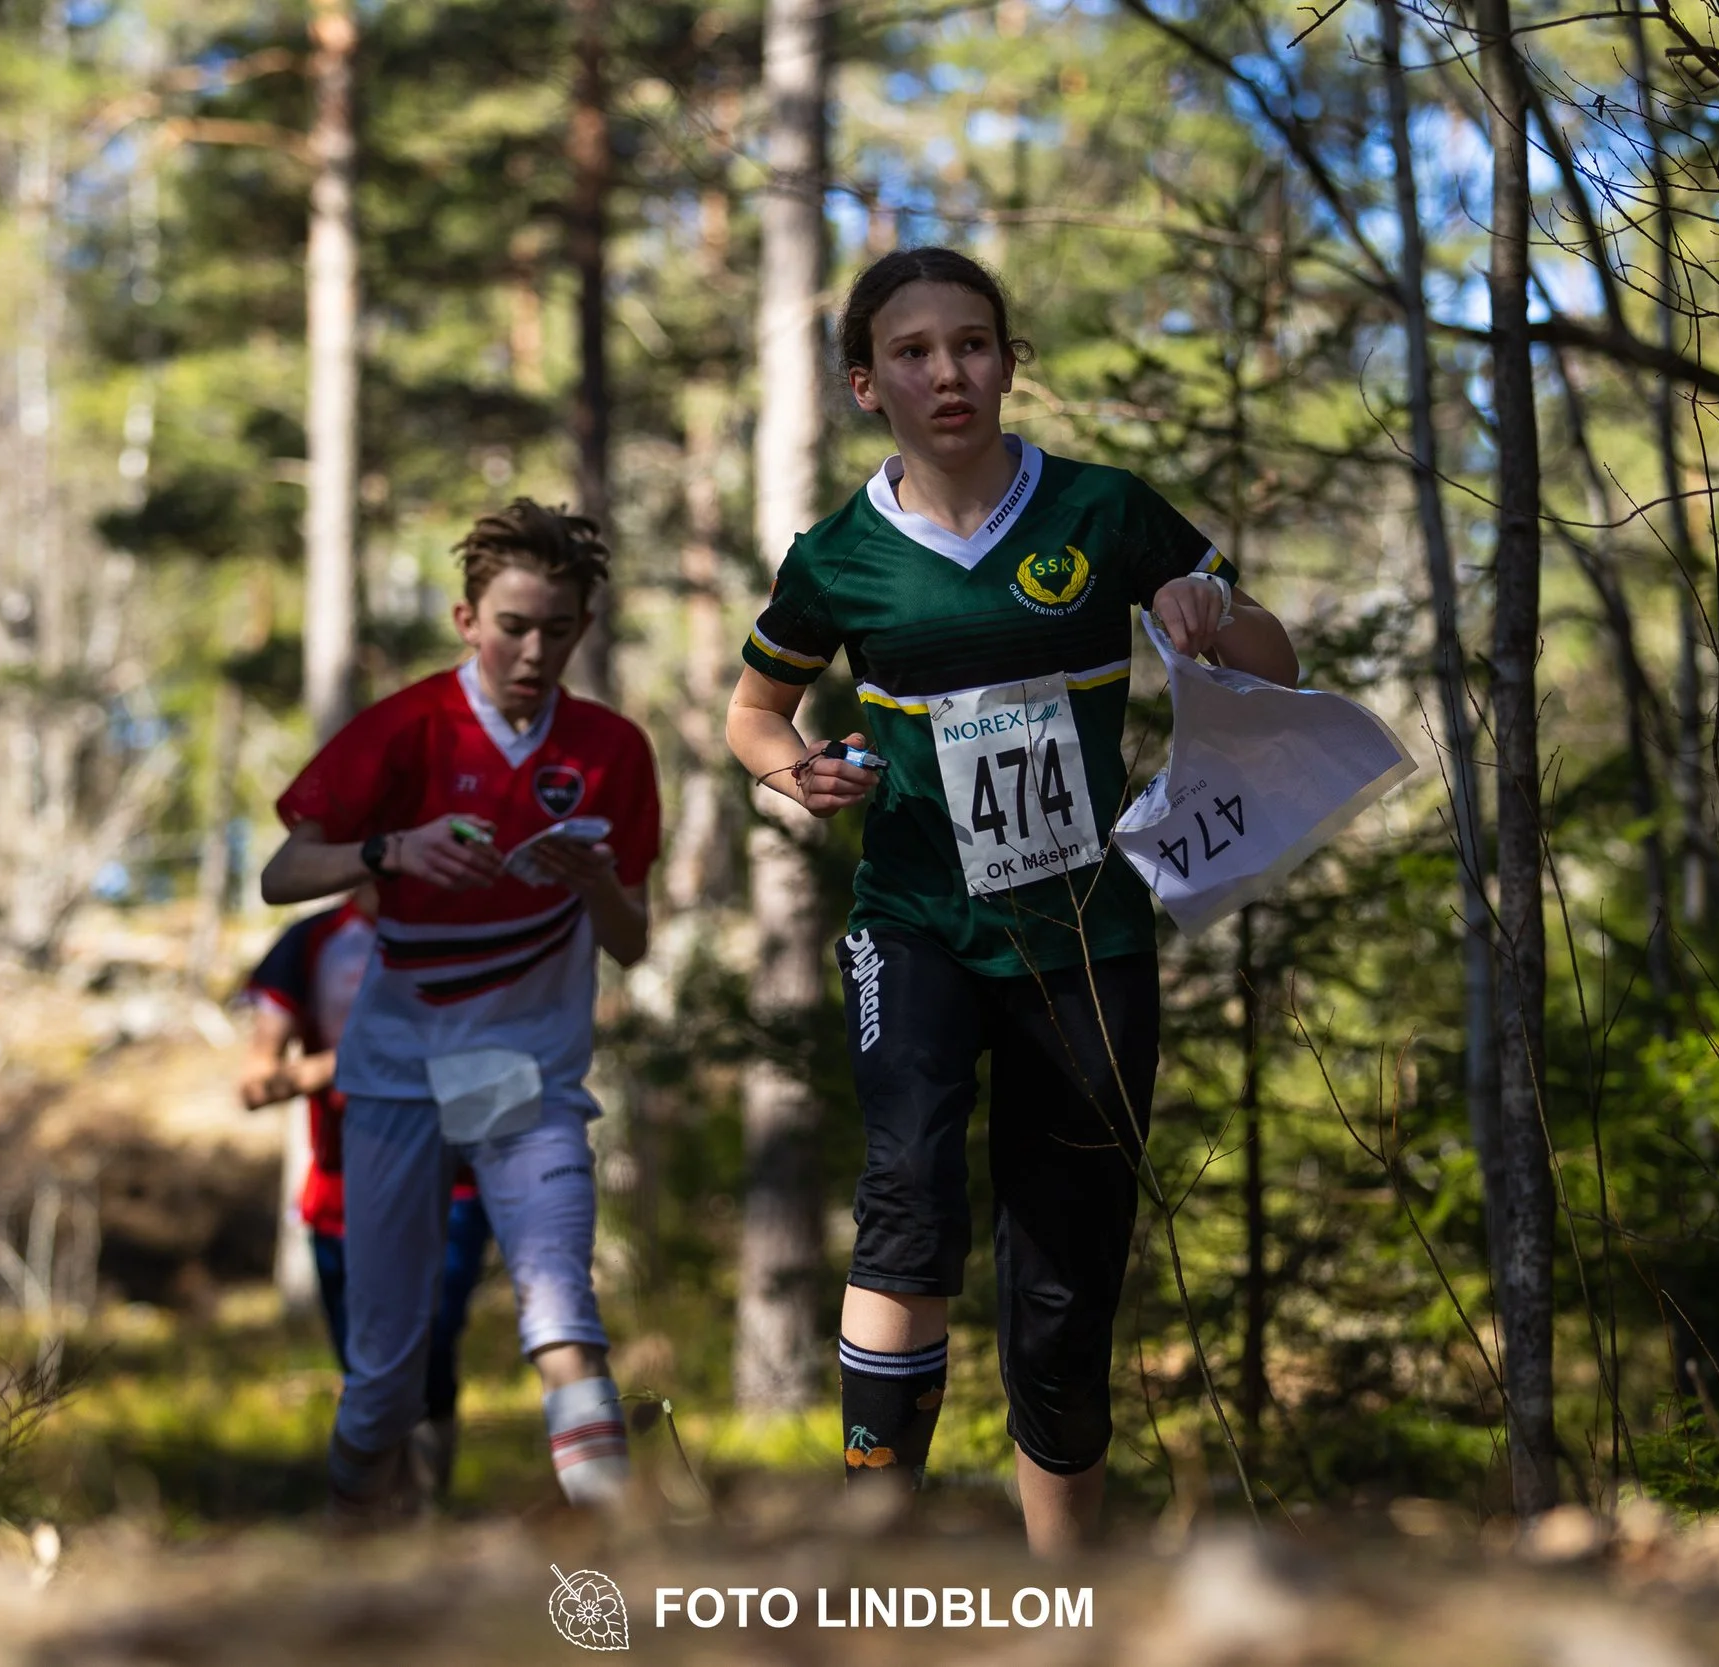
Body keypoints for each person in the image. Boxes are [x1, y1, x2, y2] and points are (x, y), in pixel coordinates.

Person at [725, 247, 1298, 1556]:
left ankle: (1067, 1595)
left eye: (974, 343)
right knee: (909, 1194)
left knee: (1061, 1283)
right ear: (869, 382)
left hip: (1088, 937)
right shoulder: (840, 556)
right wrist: (793, 774)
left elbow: (1276, 659)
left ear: (1007, 359)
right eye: (916, 351)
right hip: (917, 918)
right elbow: (754, 707)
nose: (950, 372)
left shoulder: (1104, 514)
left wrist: (1214, 616)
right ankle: (878, 1547)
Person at [261, 500, 658, 1520]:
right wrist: (389, 849)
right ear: (465, 618)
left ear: (584, 627)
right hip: (396, 1072)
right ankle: (354, 1552)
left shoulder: (612, 747)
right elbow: (280, 870)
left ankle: (629, 1558)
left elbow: (632, 939)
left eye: (558, 628)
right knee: (385, 1376)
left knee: (563, 1311)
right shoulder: (405, 727)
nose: (534, 651)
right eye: (513, 625)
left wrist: (595, 882)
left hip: (524, 1075)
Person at [236, 882, 497, 1500]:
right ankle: (372, 1520)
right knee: (368, 1367)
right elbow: (254, 1084)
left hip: (452, 1185)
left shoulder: (472, 927)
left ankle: (426, 1511)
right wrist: (349, 1060)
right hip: (343, 1195)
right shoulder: (312, 942)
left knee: (430, 1346)